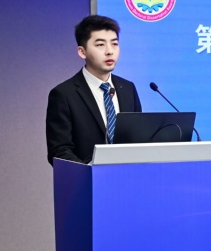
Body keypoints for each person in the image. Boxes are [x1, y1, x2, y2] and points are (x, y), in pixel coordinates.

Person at [46, 15, 142, 164]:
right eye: (100, 45)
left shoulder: (128, 89)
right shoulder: (63, 94)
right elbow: (59, 151)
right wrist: (90, 172)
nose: (109, 51)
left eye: (114, 44)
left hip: (127, 176)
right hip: (87, 178)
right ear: (82, 52)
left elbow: (139, 139)